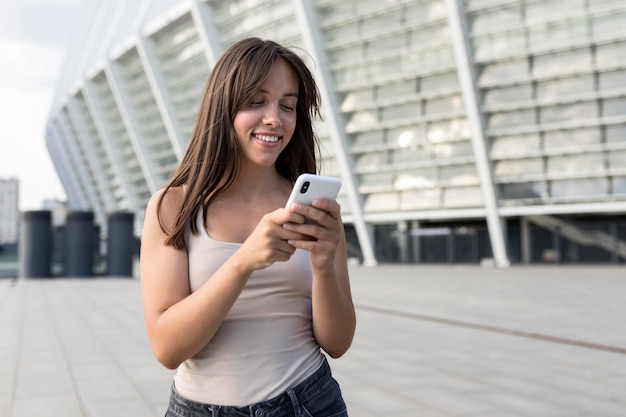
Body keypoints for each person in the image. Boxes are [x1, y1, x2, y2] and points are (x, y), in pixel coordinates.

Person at [140, 37, 355, 417]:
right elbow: (167, 349)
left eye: (287, 106)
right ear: (223, 107)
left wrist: (323, 266)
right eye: (256, 102)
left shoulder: (312, 207)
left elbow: (337, 342)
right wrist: (243, 261)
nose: (274, 118)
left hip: (308, 403)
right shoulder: (174, 206)